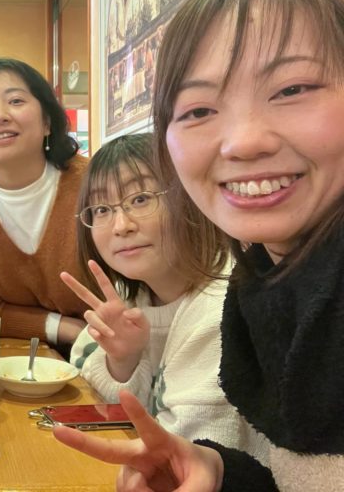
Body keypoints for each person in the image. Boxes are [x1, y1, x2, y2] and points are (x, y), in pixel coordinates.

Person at [54, 0, 344, 490]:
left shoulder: (223, 298)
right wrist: (216, 471)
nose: (244, 142)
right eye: (199, 110)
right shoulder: (261, 285)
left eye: (292, 88)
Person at [63, 133, 266, 462]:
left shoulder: (223, 305)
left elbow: (185, 458)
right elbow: (84, 385)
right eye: (101, 209)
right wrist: (123, 361)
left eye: (141, 199)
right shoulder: (134, 296)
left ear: (189, 196)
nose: (121, 225)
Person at [0, 57, 90, 349]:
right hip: (16, 354)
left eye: (16, 101)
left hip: (113, 351)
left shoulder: (95, 183)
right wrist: (66, 328)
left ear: (47, 122)